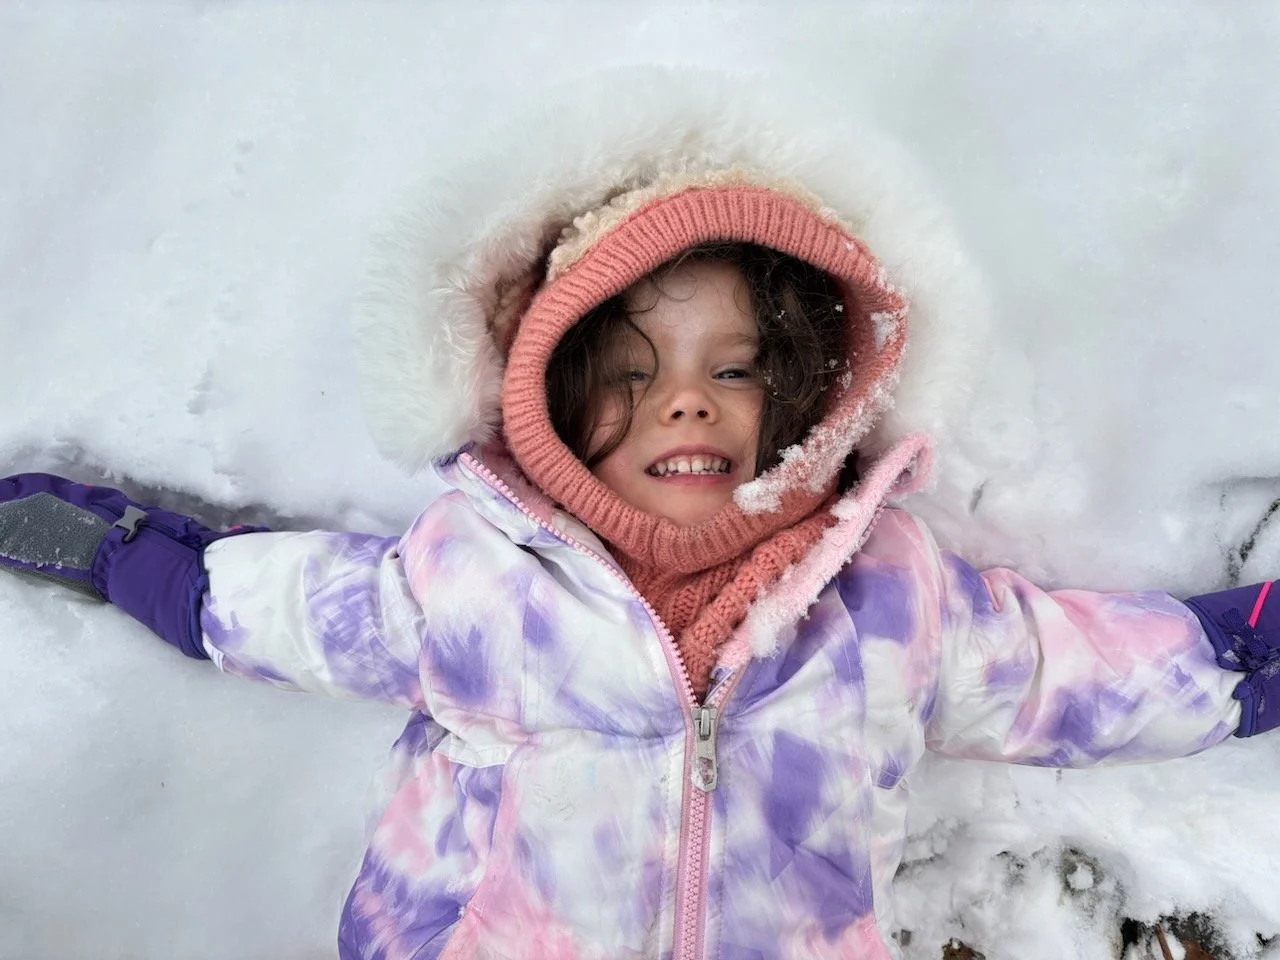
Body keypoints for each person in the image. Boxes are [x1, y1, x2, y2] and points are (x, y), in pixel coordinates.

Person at [0, 67, 1274, 960]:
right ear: (553, 398)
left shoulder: (888, 602)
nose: (684, 406)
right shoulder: (473, 584)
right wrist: (114, 553)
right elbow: (270, 606)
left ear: (802, 392)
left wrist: (1246, 654)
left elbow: (1074, 674)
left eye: (731, 370)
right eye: (628, 373)